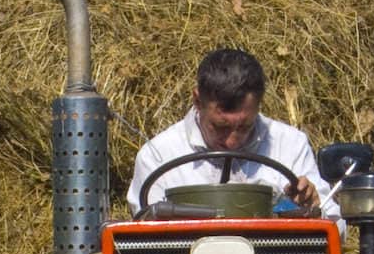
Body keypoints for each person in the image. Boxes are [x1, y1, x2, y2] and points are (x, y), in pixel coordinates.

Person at [127, 48, 341, 226]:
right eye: (220, 126)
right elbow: (146, 236)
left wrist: (314, 208)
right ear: (197, 101)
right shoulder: (158, 156)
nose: (231, 141)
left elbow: (336, 228)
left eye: (244, 126)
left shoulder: (289, 145)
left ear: (259, 105)